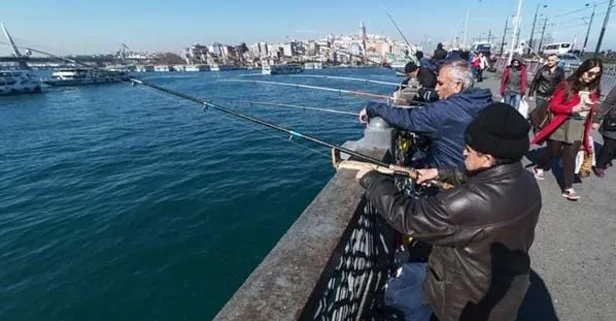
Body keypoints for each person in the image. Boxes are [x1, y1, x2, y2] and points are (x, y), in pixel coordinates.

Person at [355, 102, 542, 321]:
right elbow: (483, 180)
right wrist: (440, 173)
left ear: (488, 158)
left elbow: (408, 217)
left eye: (469, 150)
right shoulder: (526, 181)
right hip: (508, 291)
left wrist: (373, 180)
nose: (463, 152)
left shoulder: (467, 202)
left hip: (467, 305)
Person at [359, 60, 493, 168]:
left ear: (457, 86)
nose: (436, 89)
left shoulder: (447, 110)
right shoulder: (485, 102)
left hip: (449, 178)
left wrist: (372, 107)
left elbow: (408, 118)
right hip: (471, 176)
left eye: (440, 84)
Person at [532, 58, 603, 200]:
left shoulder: (594, 90)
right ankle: (539, 166)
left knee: (570, 156)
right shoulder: (567, 85)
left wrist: (594, 119)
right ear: (583, 70)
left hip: (578, 127)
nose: (592, 77)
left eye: (596, 74)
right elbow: (554, 106)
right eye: (590, 73)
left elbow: (593, 109)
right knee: (553, 151)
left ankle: (568, 187)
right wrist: (573, 109)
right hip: (561, 125)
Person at [528, 54, 565, 130]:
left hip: (552, 95)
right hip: (541, 94)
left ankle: (544, 127)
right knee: (539, 111)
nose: (550, 62)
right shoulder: (542, 70)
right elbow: (535, 81)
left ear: (556, 61)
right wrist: (531, 94)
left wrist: (561, 95)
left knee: (548, 113)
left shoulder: (560, 71)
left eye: (552, 60)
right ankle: (536, 128)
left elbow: (562, 84)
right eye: (549, 60)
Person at [593, 86, 616, 177]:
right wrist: (597, 119)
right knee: (610, 145)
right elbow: (608, 103)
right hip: (614, 121)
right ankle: (600, 165)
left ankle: (608, 158)